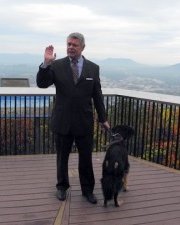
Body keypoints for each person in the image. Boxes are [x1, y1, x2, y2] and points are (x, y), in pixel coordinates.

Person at [36, 32, 110, 204]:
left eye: (74, 45)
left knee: (86, 158)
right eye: (68, 44)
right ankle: (62, 187)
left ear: (82, 47)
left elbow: (97, 95)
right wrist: (46, 64)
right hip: (63, 120)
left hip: (84, 121)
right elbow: (42, 84)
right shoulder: (57, 65)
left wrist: (103, 118)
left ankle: (88, 190)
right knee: (62, 158)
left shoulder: (93, 68)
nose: (70, 47)